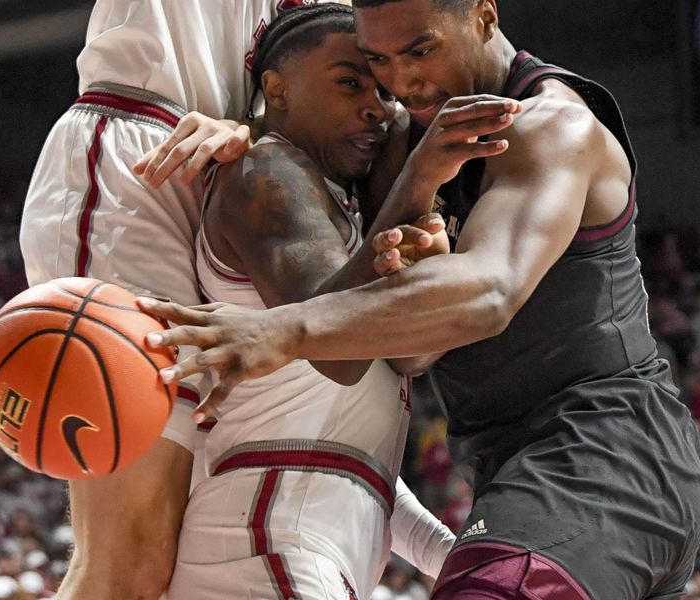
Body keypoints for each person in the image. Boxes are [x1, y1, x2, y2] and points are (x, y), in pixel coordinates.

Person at [139, 0, 700, 597]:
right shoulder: (408, 135)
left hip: (606, 446)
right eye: (378, 60)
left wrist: (284, 328)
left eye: (421, 50)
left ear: (484, 17)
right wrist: (239, 130)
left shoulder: (549, 124)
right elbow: (408, 350)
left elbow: (491, 291)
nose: (401, 81)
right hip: (521, 469)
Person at [162, 5, 517, 598]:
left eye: (380, 89)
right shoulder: (264, 170)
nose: (377, 105)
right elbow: (339, 355)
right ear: (276, 88)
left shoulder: (339, 210)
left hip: (290, 533)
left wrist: (447, 554)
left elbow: (355, 459)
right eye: (350, 82)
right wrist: (420, 178)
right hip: (266, 539)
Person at [17, 1, 342, 597]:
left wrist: (259, 126)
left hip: (236, 180)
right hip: (140, 154)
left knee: (163, 562)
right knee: (127, 558)